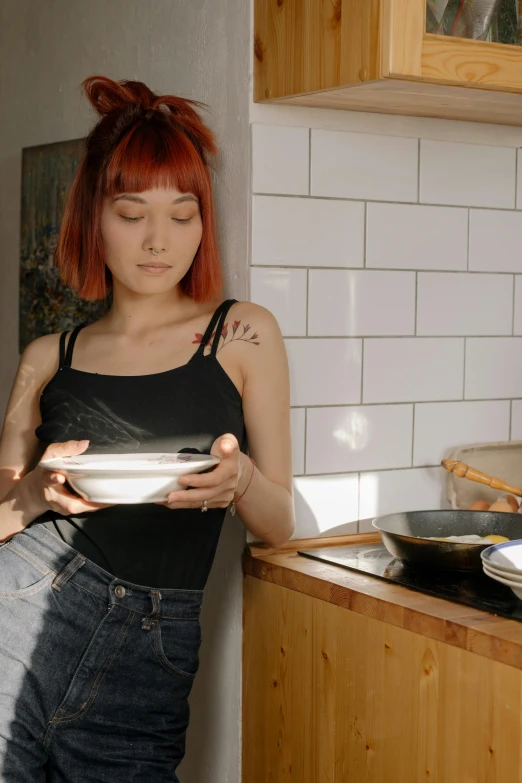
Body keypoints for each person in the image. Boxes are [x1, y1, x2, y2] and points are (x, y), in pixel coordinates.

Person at [0, 75, 294, 781]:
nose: (159, 240)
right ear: (92, 218)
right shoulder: (48, 355)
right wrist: (38, 492)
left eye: (183, 213)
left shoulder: (244, 333)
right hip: (23, 604)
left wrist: (241, 478)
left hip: (153, 645)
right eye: (132, 214)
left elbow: (279, 520)